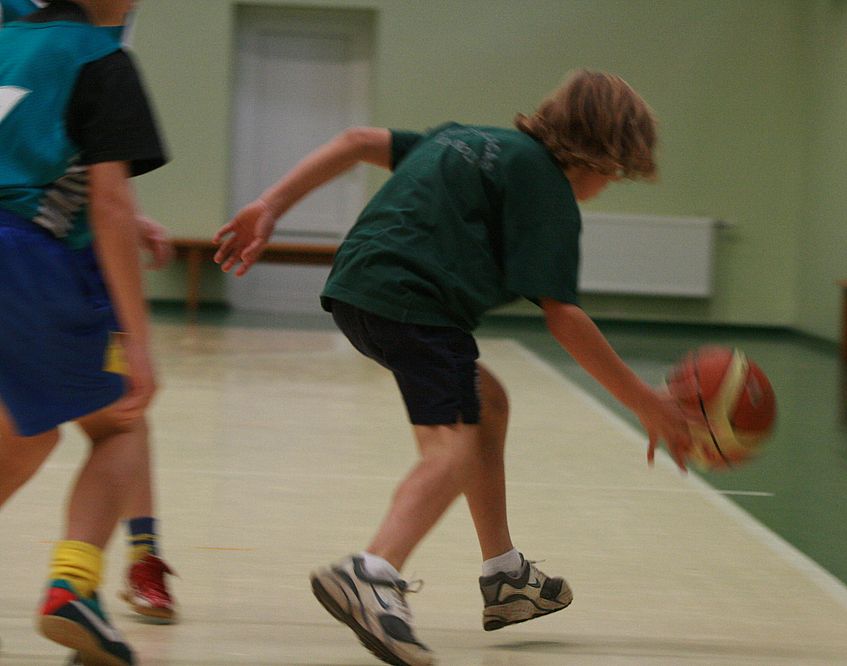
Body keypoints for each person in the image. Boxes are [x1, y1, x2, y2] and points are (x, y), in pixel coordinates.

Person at [214, 69, 694, 666]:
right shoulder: (548, 188)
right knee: (453, 449)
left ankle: (506, 576)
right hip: (417, 302)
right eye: (617, 172)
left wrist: (270, 205)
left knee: (486, 404)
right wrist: (645, 401)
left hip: (358, 286)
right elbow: (564, 317)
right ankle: (372, 572)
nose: (611, 183)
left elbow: (357, 141)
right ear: (602, 155)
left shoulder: (466, 138)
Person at [0, 0, 170, 662]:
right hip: (26, 260)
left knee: (23, 436)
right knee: (120, 420)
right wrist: (139, 343)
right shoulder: (102, 60)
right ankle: (73, 587)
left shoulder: (6, 41)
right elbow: (110, 204)